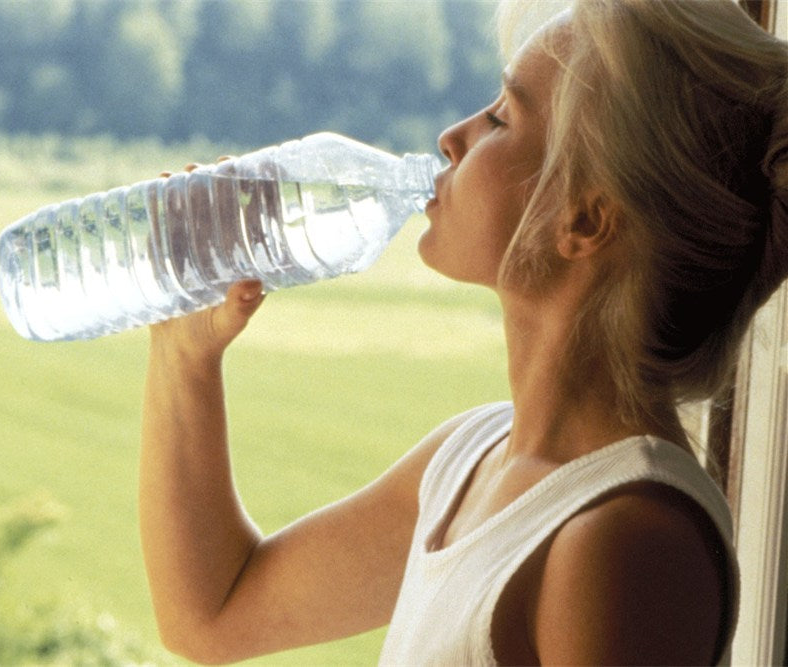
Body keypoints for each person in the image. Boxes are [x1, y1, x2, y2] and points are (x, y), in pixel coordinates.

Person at [139, 0, 788, 664]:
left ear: (585, 221)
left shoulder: (626, 539)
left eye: (501, 118)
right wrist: (186, 351)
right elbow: (214, 615)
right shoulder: (467, 460)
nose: (452, 137)